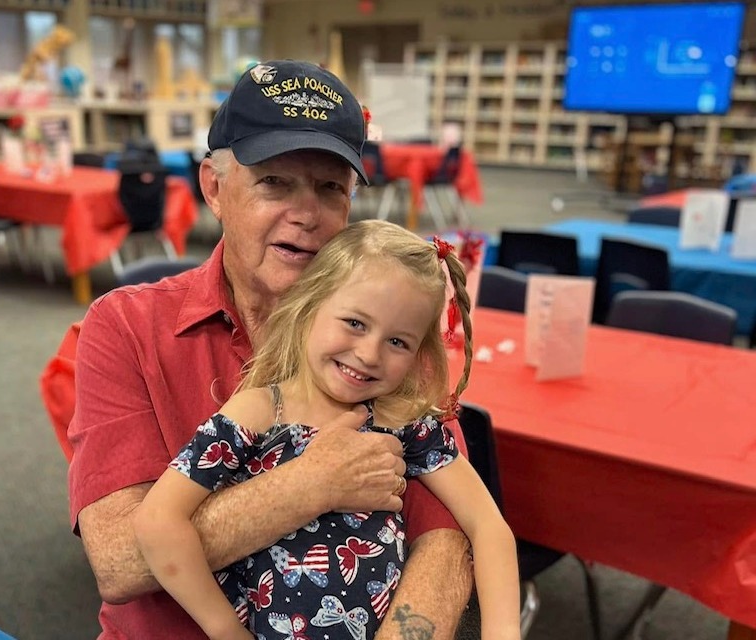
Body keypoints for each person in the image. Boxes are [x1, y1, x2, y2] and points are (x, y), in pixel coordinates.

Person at [67, 60, 475, 640]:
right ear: (214, 187)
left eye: (330, 187)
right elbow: (119, 559)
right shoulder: (126, 327)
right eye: (274, 183)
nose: (306, 215)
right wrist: (312, 485)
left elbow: (446, 534)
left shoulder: (388, 340)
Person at [133, 220, 519, 640]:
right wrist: (223, 628)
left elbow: (488, 526)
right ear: (309, 305)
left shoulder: (404, 424)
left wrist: (503, 632)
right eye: (355, 323)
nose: (369, 353)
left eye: (398, 342)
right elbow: (158, 519)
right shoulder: (258, 412)